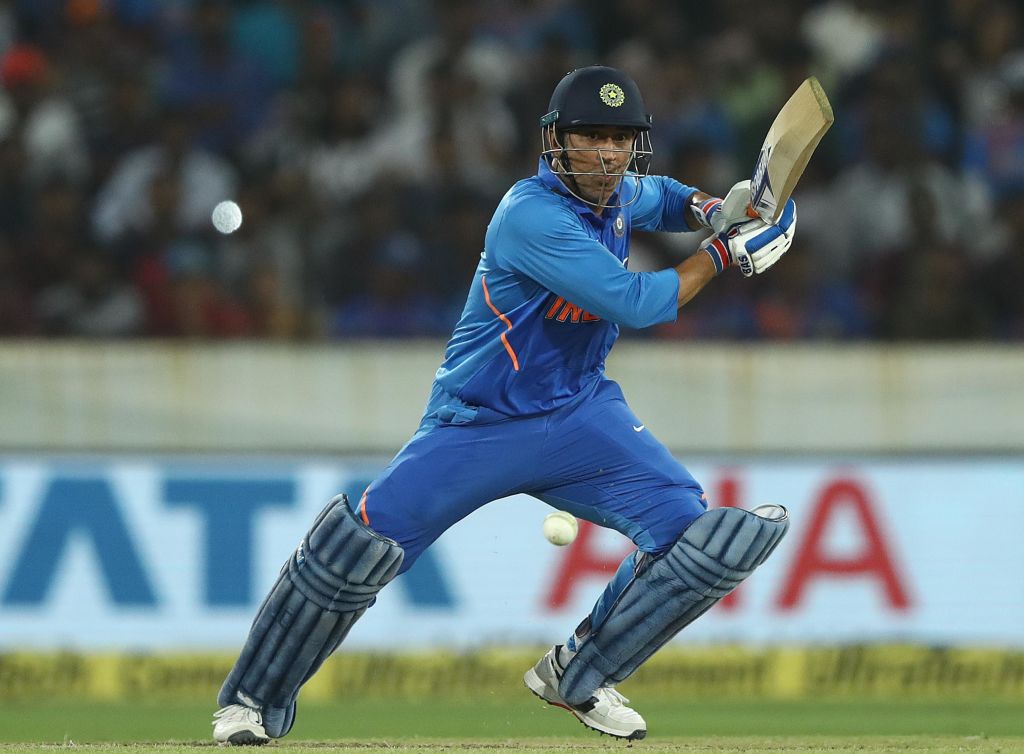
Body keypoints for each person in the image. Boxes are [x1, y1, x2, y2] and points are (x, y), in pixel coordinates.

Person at [211, 65, 795, 745]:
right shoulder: (531, 216)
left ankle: (578, 673)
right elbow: (638, 302)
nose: (605, 154)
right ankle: (249, 702)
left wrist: (709, 208)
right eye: (589, 137)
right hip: (479, 423)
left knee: (701, 543)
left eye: (618, 139)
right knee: (353, 550)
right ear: (556, 141)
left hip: (581, 415)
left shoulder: (614, 194)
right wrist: (726, 253)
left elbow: (658, 196)